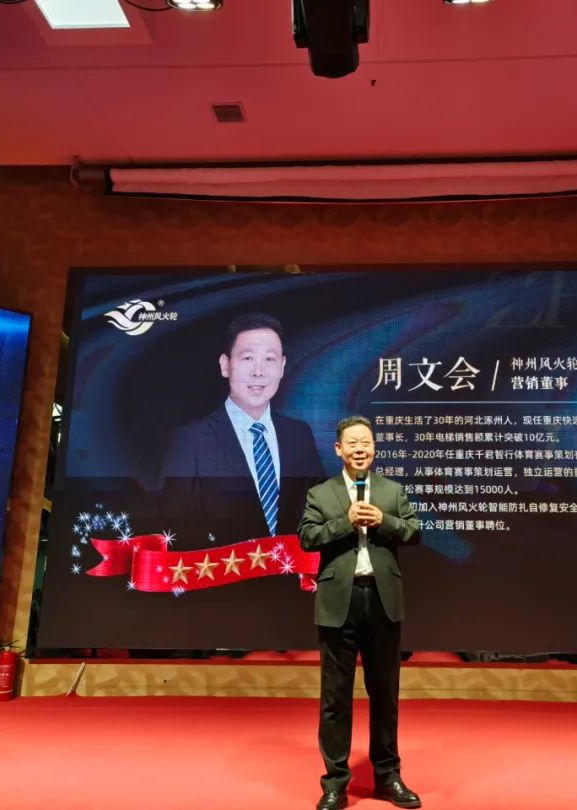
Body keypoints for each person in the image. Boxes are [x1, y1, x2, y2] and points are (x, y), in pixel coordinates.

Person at [298, 416, 422, 810]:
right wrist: (344, 522)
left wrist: (384, 521)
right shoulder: (321, 494)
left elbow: (414, 532)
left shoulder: (392, 491)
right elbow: (307, 537)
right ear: (338, 449)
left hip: (382, 600)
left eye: (366, 442)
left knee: (385, 692)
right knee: (335, 697)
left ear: (374, 448)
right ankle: (335, 783)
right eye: (352, 443)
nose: (359, 449)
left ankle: (388, 776)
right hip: (339, 601)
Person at [161, 312, 324, 545]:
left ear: (282, 366)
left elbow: (320, 515)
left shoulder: (299, 435)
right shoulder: (191, 441)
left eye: (269, 359)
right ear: (225, 365)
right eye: (247, 358)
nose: (258, 371)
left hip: (292, 566)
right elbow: (171, 530)